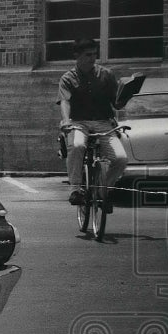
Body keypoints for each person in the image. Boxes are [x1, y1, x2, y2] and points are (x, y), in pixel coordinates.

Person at [56, 38, 128, 207]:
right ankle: (75, 190)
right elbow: (65, 101)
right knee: (78, 145)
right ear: (77, 56)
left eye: (94, 54)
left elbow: (116, 103)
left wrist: (126, 95)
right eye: (88, 55)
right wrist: (66, 121)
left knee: (121, 158)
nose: (92, 58)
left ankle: (103, 191)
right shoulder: (68, 78)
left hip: (103, 122)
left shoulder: (106, 75)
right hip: (78, 122)